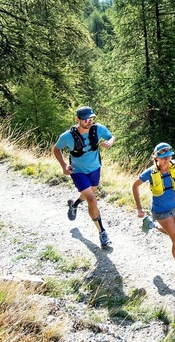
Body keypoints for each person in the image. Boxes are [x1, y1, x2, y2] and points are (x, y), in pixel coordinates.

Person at [132, 142, 175, 288]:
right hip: (160, 211)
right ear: (156, 158)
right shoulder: (150, 172)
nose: (167, 159)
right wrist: (139, 209)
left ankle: (152, 225)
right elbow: (134, 186)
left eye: (169, 156)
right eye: (163, 157)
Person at [53, 106, 115, 249]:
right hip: (78, 171)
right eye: (86, 119)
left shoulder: (98, 129)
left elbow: (111, 136)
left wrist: (109, 142)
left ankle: (74, 204)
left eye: (91, 118)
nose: (89, 121)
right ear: (78, 120)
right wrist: (63, 166)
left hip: (95, 169)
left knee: (90, 195)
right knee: (92, 200)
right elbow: (56, 149)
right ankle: (102, 233)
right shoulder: (67, 136)